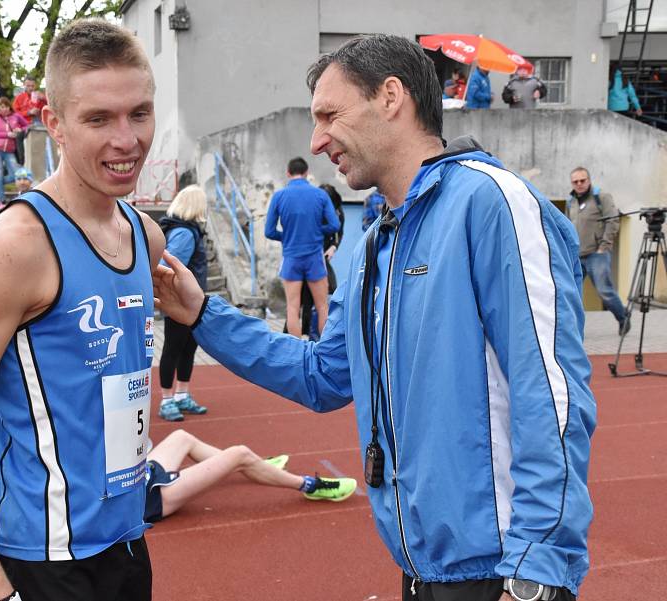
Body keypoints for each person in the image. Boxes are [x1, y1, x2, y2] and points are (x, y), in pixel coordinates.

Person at [155, 34, 594, 601]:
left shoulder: (493, 204)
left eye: (329, 114)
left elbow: (551, 397)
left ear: (391, 96)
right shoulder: (371, 241)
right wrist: (202, 314)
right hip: (419, 566)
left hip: (501, 570)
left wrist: (536, 572)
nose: (316, 142)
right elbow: (324, 375)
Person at [0, 18, 165, 601]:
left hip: (126, 545)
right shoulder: (17, 248)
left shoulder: (144, 236)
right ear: (55, 124)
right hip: (40, 563)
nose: (126, 140)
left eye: (139, 114)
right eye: (99, 119)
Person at [144, 429, 357, 523]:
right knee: (240, 454)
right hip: (149, 498)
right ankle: (310, 486)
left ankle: (258, 467)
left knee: (182, 437)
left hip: (143, 475)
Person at [265, 157, 340, 337]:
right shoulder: (320, 195)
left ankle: (297, 353)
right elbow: (334, 225)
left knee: (292, 307)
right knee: (322, 306)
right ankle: (323, 351)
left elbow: (269, 231)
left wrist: (288, 236)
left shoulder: (279, 196)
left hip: (291, 257)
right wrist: (315, 231)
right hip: (314, 257)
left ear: (288, 173)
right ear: (306, 173)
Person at [157, 184, 210, 422]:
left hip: (189, 301)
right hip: (181, 302)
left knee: (188, 348)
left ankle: (181, 395)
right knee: (173, 348)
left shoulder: (187, 230)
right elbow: (170, 266)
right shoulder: (185, 233)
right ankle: (167, 400)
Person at [566, 167, 630, 336]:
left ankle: (623, 317)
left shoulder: (601, 197)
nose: (579, 184)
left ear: (589, 180)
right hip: (577, 256)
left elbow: (613, 220)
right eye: (575, 181)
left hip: (597, 254)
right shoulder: (570, 201)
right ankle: (573, 330)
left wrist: (604, 246)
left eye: (582, 180)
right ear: (572, 183)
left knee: (604, 291)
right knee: (570, 292)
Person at [283, 183, 345, 340]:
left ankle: (316, 337)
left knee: (326, 294)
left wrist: (333, 247)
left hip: (321, 257)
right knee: (297, 301)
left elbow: (339, 232)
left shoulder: (337, 213)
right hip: (305, 256)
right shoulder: (312, 208)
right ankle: (294, 336)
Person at [0, 97, 28, 207]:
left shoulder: (16, 117)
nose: (4, 109)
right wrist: (7, 134)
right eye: (2, 107)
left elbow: (27, 125)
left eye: (6, 106)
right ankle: (2, 201)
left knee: (17, 174)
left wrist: (20, 130)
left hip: (10, 151)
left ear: (9, 107)